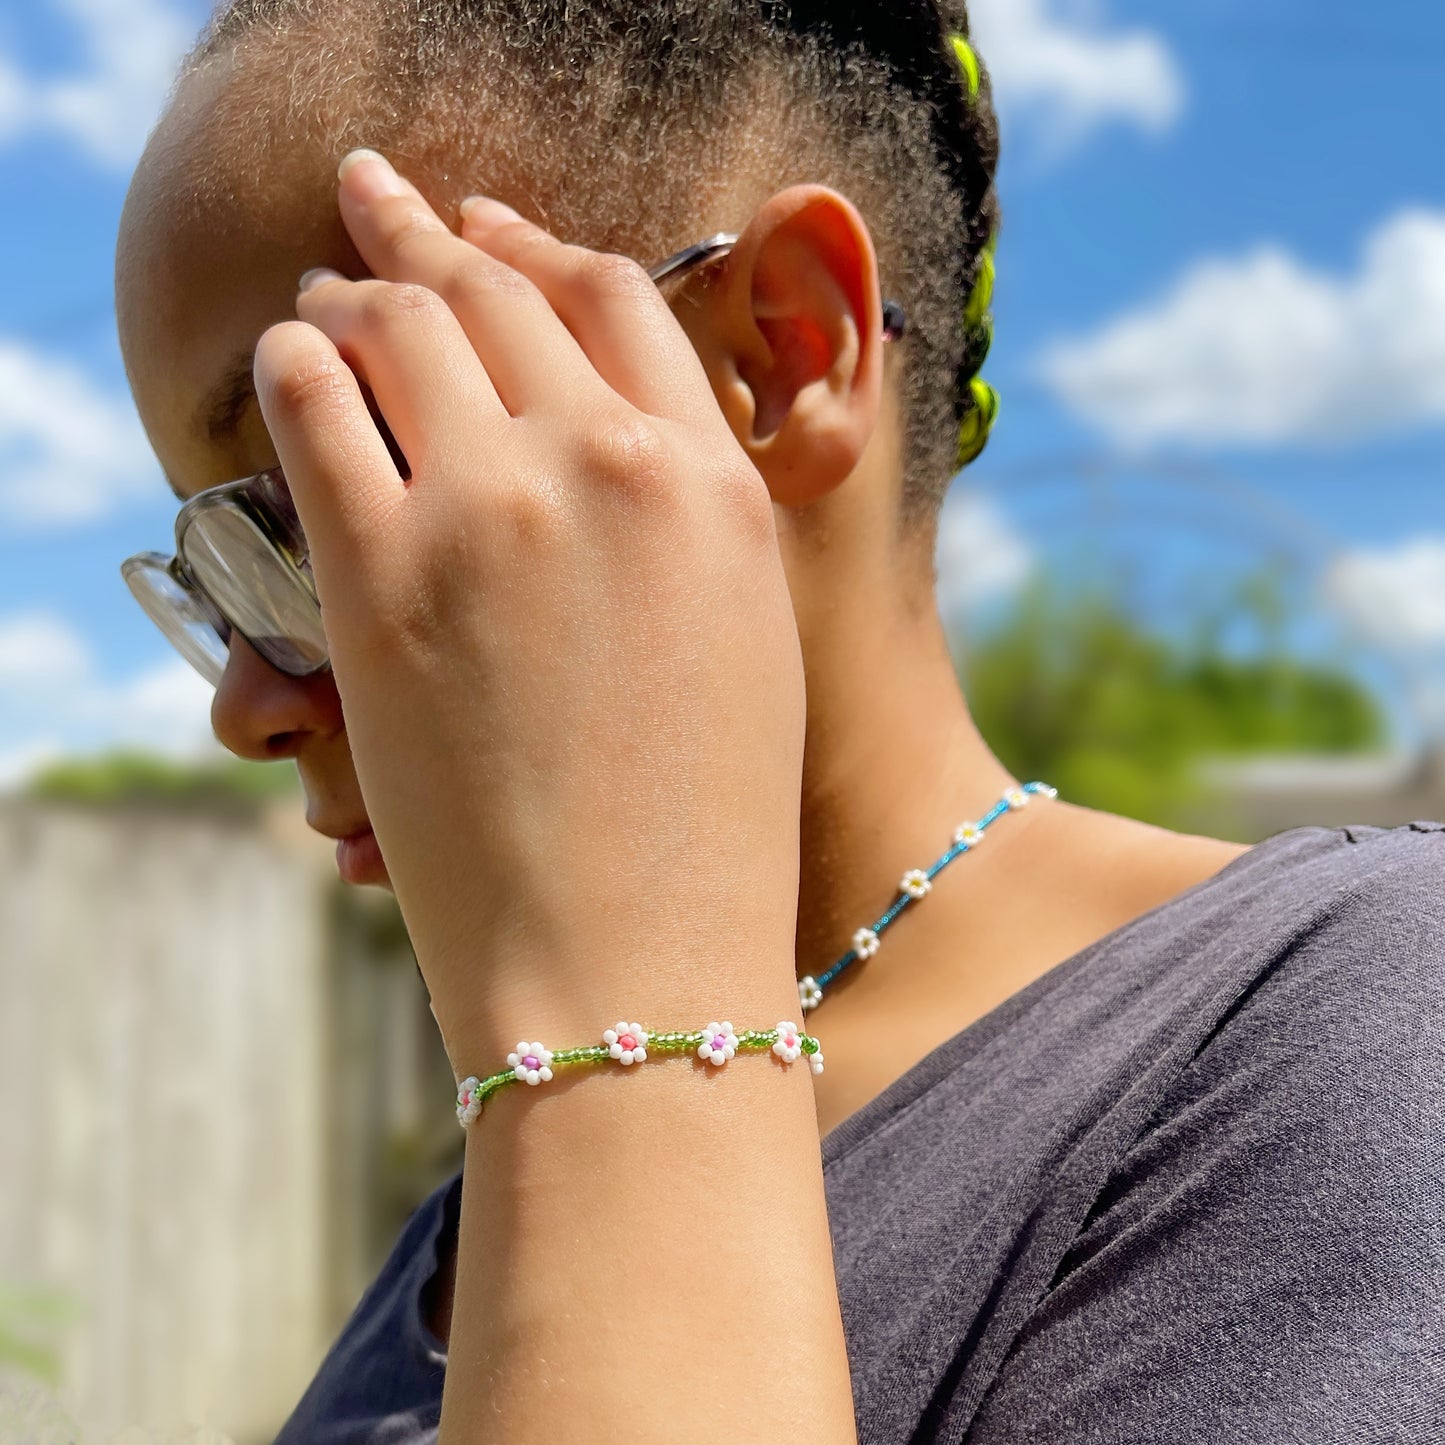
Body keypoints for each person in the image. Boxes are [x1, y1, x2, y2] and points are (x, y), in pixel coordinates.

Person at [112, 2, 1442, 1441]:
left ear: (783, 350)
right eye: (210, 581)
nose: (244, 700)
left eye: (310, 511)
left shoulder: (1356, 1023)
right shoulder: (492, 1178)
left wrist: (625, 1046)